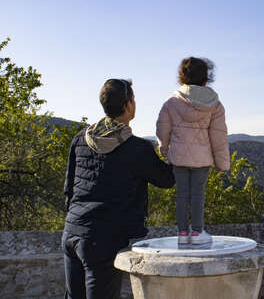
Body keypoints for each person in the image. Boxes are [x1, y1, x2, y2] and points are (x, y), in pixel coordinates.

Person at [62, 79, 174, 299]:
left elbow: (69, 188)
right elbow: (167, 179)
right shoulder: (137, 148)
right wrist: (180, 148)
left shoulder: (80, 139)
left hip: (71, 232)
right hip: (103, 239)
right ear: (128, 105)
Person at [156, 57, 230, 245]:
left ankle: (182, 233)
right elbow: (219, 136)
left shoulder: (171, 102)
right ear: (206, 78)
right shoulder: (215, 105)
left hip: (178, 158)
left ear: (182, 77)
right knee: (198, 195)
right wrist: (222, 163)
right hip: (202, 160)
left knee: (181, 195)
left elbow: (162, 129)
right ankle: (197, 232)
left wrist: (164, 150)